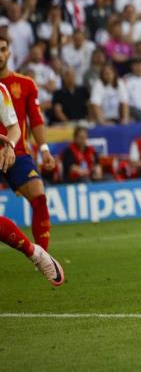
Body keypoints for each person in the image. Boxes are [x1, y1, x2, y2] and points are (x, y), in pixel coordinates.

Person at [0, 35, 54, 251]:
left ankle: (44, 257)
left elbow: (36, 119)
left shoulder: (25, 84)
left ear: (9, 52)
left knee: (39, 196)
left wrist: (44, 149)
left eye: (3, 49)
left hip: (17, 152)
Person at [0, 105, 64, 286]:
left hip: (14, 154)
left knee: (39, 197)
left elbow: (14, 127)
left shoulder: (1, 91)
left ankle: (38, 253)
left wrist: (11, 145)